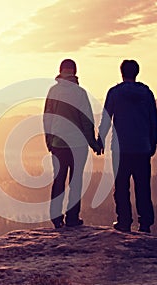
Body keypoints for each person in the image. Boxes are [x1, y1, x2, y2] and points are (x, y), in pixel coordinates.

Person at [98, 59, 157, 233]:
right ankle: (145, 223)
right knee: (143, 186)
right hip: (142, 147)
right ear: (137, 72)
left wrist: (100, 140)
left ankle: (124, 221)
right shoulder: (146, 94)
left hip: (120, 148)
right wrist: (152, 144)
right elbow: (154, 121)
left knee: (121, 186)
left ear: (121, 72)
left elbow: (106, 119)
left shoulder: (114, 93)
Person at [43, 59, 100, 229]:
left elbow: (47, 117)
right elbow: (86, 120)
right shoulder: (80, 93)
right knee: (76, 181)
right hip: (78, 144)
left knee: (59, 179)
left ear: (60, 71)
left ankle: (56, 218)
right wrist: (94, 144)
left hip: (58, 143)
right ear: (74, 72)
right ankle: (72, 218)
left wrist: (48, 140)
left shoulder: (53, 91)